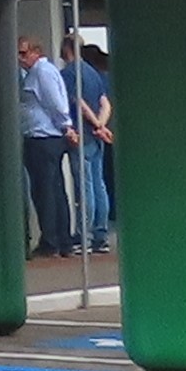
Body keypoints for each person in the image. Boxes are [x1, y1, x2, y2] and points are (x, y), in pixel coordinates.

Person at [17, 32, 79, 258]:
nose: (20, 58)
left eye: (23, 53)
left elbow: (55, 103)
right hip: (45, 136)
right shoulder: (40, 72)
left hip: (44, 137)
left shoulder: (42, 72)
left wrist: (66, 127)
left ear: (36, 51)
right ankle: (61, 239)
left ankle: (52, 240)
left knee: (46, 191)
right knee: (52, 188)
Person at [73, 40, 117, 244]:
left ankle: (86, 234)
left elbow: (79, 102)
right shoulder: (98, 77)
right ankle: (102, 231)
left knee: (86, 183)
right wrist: (102, 125)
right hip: (102, 133)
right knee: (99, 182)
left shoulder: (72, 74)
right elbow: (105, 103)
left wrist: (96, 125)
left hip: (85, 133)